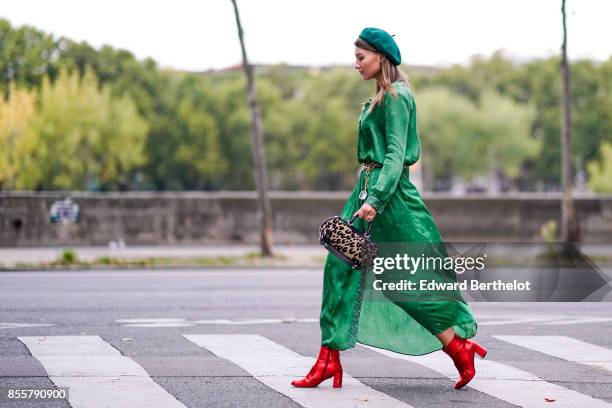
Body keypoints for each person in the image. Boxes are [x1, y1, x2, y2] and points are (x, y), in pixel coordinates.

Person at [290, 27, 487, 390]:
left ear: (381, 56)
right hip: (366, 192)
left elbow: (397, 156)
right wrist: (366, 196)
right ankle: (327, 360)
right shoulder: (380, 97)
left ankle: (458, 347)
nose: (355, 64)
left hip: (388, 199)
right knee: (339, 269)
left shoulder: (397, 97)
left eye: (360, 57)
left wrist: (375, 200)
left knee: (404, 280)